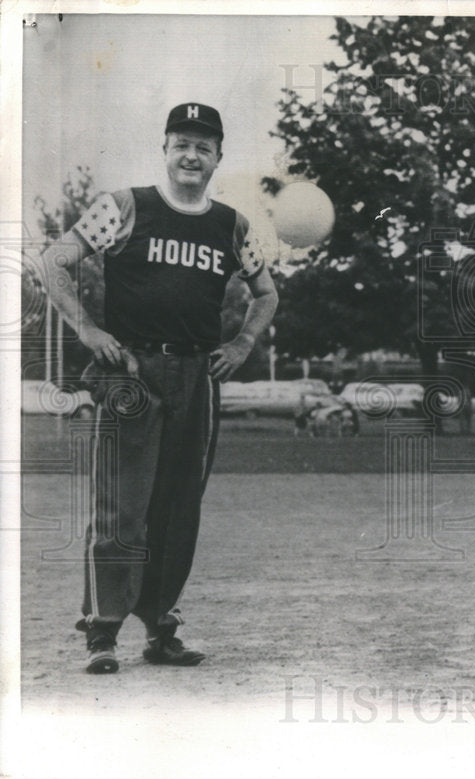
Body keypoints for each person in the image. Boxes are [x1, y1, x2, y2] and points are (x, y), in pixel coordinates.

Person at [40, 103, 279, 674]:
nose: (191, 155)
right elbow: (53, 262)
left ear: (219, 156)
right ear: (165, 150)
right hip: (132, 373)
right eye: (181, 143)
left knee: (178, 509)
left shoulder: (231, 225)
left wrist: (243, 344)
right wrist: (87, 327)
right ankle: (102, 631)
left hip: (198, 374)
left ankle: (160, 627)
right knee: (122, 506)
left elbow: (266, 294)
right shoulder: (125, 206)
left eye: (203, 146)